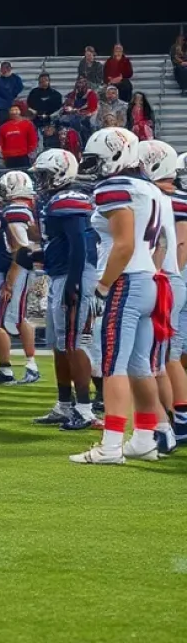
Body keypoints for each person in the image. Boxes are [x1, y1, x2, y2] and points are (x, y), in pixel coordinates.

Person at [70, 128, 164, 465]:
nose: (93, 168)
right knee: (140, 365)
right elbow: (161, 243)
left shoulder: (116, 187)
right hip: (148, 280)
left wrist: (103, 286)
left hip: (125, 281)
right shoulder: (149, 189)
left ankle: (111, 446)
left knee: (113, 365)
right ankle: (144, 438)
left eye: (96, 160)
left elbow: (123, 244)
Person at [137, 140, 186, 453]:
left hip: (169, 278)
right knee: (173, 354)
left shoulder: (165, 197)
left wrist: (168, 276)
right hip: (176, 279)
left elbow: (178, 244)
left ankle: (174, 422)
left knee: (161, 358)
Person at [0, 170, 41, 388]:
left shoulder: (16, 210)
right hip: (18, 269)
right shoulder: (23, 208)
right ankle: (7, 368)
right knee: (10, 318)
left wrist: (10, 280)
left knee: (19, 317)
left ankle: (31, 366)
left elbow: (21, 246)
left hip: (17, 270)